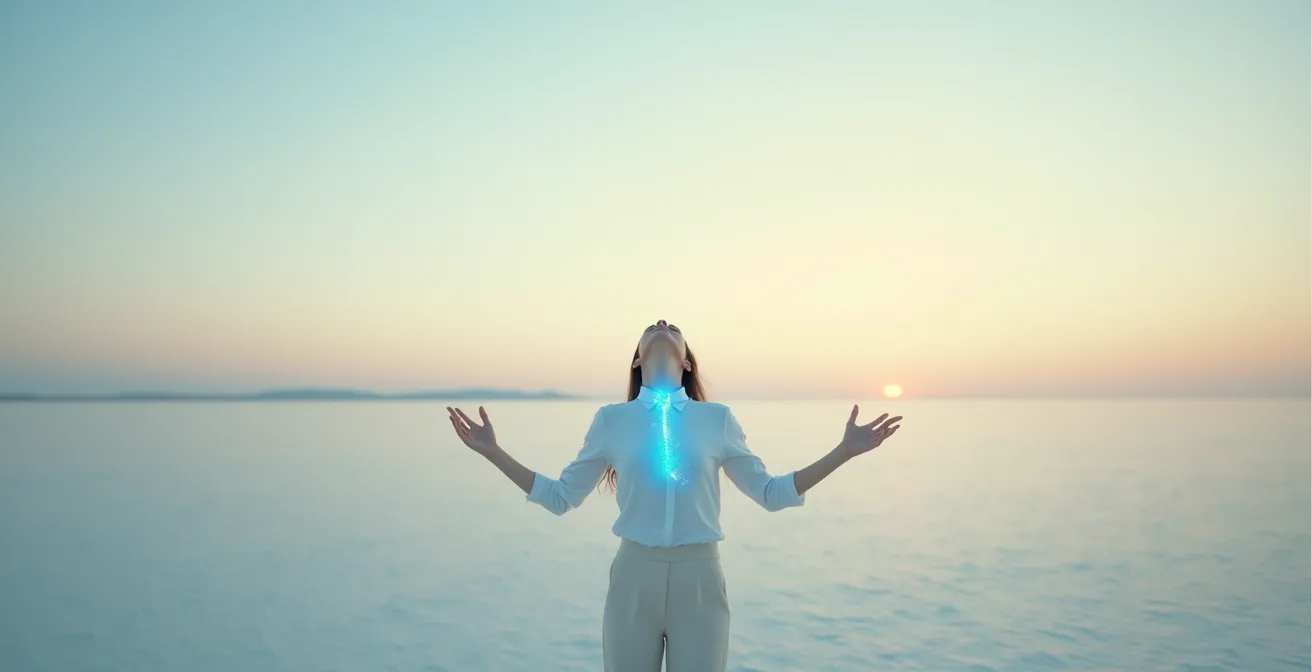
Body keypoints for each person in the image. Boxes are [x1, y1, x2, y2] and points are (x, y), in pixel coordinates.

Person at [446, 319, 902, 672]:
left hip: (699, 580)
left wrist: (843, 452)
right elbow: (560, 496)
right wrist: (492, 452)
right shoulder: (611, 420)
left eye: (672, 327)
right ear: (636, 362)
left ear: (687, 363)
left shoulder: (716, 419)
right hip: (633, 578)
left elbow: (771, 492)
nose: (662, 322)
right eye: (652, 325)